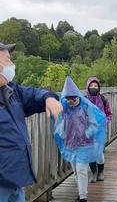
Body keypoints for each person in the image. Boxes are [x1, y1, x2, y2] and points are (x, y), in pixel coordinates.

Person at [0, 42, 63, 201]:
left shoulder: (12, 91)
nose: (12, 65)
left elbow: (35, 94)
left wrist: (48, 98)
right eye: (8, 60)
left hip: (15, 181)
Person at [53, 76, 107, 202]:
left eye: (73, 99)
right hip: (70, 144)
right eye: (68, 99)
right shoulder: (65, 107)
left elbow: (94, 124)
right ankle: (81, 194)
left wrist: (86, 134)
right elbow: (61, 124)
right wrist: (61, 132)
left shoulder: (86, 106)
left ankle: (83, 197)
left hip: (84, 144)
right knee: (76, 172)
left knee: (81, 169)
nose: (71, 102)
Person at [86, 77, 113, 182]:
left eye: (95, 86)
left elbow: (109, 113)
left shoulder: (103, 99)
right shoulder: (84, 100)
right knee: (90, 152)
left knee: (99, 152)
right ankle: (93, 172)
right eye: (91, 86)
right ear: (88, 87)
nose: (93, 88)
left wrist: (105, 121)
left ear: (99, 87)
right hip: (88, 130)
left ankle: (101, 171)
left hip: (100, 130)